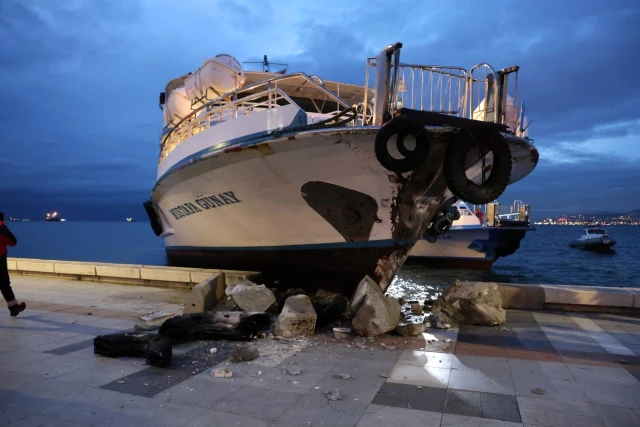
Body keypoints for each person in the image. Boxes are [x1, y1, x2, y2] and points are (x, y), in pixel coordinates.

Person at [0, 212, 26, 316]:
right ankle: (14, 308)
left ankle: (14, 307)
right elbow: (12, 242)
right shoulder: (1, 229)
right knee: (4, 284)